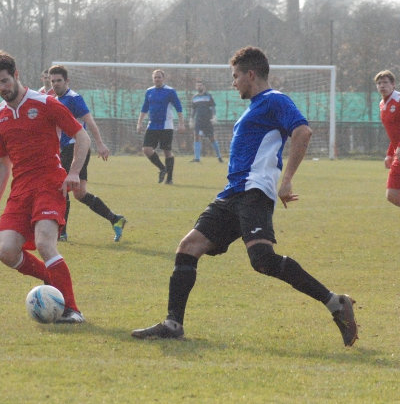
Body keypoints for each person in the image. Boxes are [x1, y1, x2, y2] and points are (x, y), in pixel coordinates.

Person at [131, 46, 358, 347]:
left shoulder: (275, 100)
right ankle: (173, 324)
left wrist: (287, 180)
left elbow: (302, 132)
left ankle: (335, 303)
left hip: (254, 192)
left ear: (251, 74)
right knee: (188, 247)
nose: (233, 82)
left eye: (236, 76)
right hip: (232, 193)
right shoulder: (254, 107)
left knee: (262, 260)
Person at [0, 51, 90, 323]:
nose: (1, 88)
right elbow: (3, 162)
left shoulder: (46, 103)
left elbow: (81, 136)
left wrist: (74, 172)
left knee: (44, 243)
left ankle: (72, 310)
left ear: (16, 75)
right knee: (5, 251)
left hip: (50, 184)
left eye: (4, 81)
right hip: (21, 189)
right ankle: (53, 281)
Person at [48, 65, 127, 242]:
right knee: (80, 193)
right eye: (53, 81)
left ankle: (62, 233)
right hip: (65, 149)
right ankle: (115, 219)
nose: (55, 84)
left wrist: (100, 143)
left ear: (67, 81)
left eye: (59, 80)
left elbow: (89, 121)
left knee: (62, 188)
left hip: (76, 148)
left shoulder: (74, 98)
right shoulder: (55, 99)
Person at [136, 69, 185, 184]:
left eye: (159, 77)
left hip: (166, 126)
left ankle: (169, 179)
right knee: (146, 149)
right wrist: (139, 123)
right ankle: (162, 168)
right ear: (152, 79)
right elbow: (144, 108)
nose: (157, 79)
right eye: (155, 77)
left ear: (163, 78)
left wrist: (181, 123)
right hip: (152, 125)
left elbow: (178, 107)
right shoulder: (149, 91)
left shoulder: (170, 91)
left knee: (167, 151)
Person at [374, 70, 400, 207]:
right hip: (397, 154)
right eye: (379, 83)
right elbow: (394, 133)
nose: (382, 86)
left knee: (392, 193)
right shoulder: (382, 104)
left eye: (385, 82)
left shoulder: (398, 101)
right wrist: (390, 154)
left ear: (393, 84)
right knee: (392, 194)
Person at [190, 80, 224, 163]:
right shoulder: (194, 97)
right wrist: (191, 119)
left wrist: (214, 116)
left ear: (203, 86)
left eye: (200, 85)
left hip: (207, 121)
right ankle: (197, 158)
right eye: (197, 85)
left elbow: (213, 107)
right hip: (198, 121)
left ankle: (219, 157)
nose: (199, 87)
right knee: (196, 137)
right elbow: (193, 109)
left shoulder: (208, 96)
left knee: (212, 138)